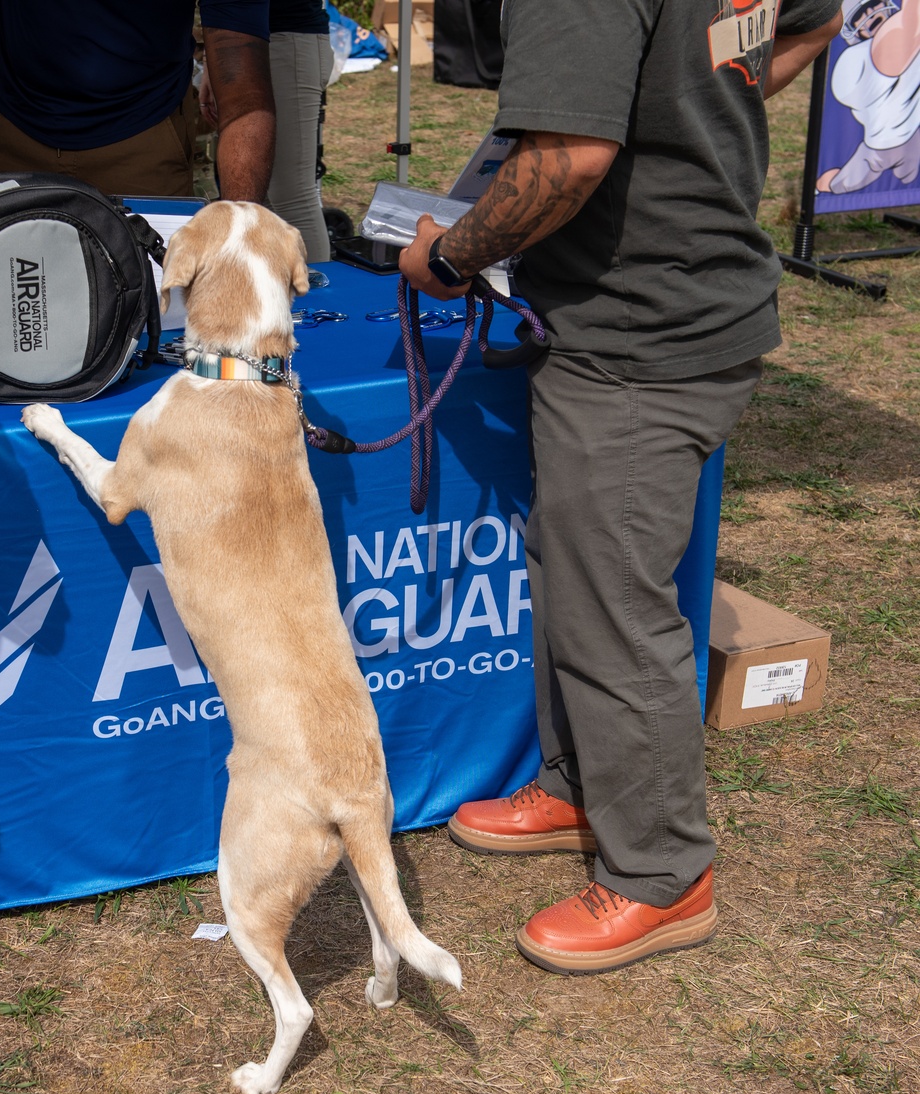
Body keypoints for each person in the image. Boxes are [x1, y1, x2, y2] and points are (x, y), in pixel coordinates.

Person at [400, 0, 843, 976]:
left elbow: (567, 161)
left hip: (645, 332)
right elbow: (812, 18)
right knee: (572, 567)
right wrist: (705, 104)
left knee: (611, 605)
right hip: (659, 310)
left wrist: (446, 256)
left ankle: (662, 872)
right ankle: (581, 788)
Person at [0, 0, 275, 202]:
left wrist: (242, 227)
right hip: (11, 125)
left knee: (145, 322)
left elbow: (246, 99)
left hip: (142, 141)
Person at [200, 0, 333, 262]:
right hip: (252, 39)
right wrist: (211, 58)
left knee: (292, 196)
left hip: (287, 37)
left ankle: (320, 298)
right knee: (266, 199)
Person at [817, 0, 920, 195]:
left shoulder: (910, 41)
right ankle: (820, 190)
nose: (870, 14)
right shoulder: (857, 58)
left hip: (913, 136)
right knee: (834, 184)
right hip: (877, 149)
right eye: (861, 15)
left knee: (909, 176)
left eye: (873, 5)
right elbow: (904, 29)